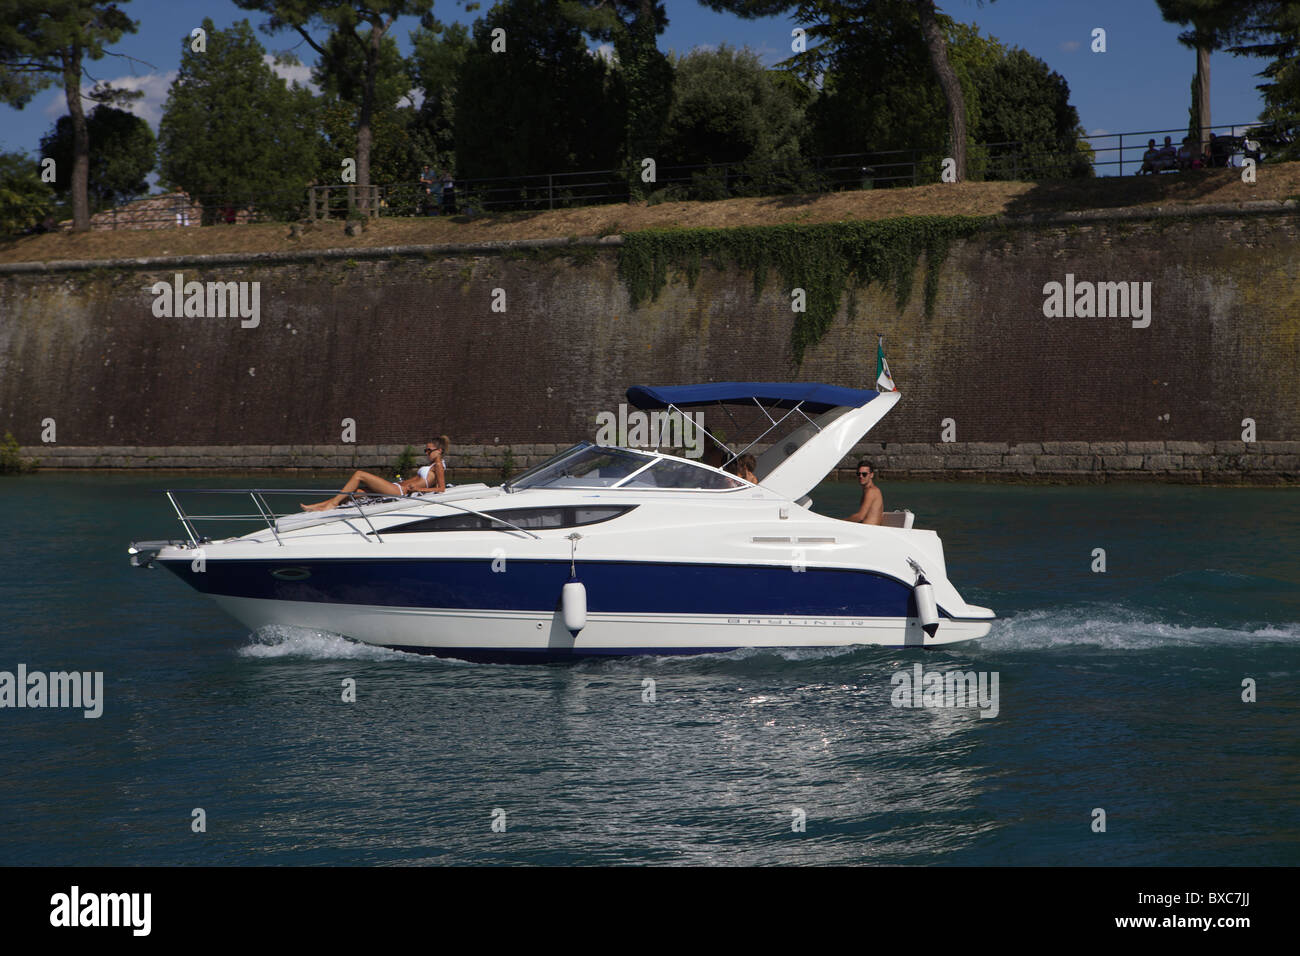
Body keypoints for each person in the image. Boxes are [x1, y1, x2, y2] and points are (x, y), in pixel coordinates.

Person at [302, 436, 449, 511]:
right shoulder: (433, 465)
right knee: (356, 492)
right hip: (396, 487)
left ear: (439, 451)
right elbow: (434, 484)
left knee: (359, 474)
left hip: (398, 491)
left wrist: (418, 490)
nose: (427, 453)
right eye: (426, 450)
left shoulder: (438, 466)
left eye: (429, 450)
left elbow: (441, 489)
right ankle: (319, 506)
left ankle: (330, 505)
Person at [845, 459, 883, 525]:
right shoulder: (867, 490)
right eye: (858, 474)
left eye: (864, 474)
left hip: (870, 532)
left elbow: (860, 517)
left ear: (871, 475)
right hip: (866, 530)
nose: (861, 476)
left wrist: (839, 521)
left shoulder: (872, 491)